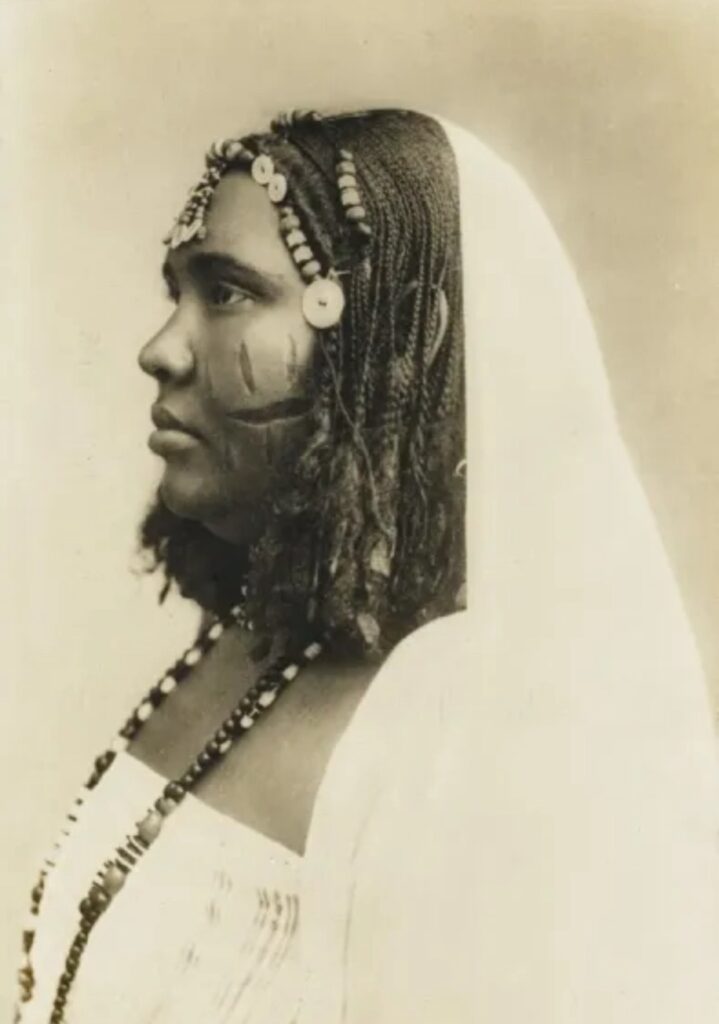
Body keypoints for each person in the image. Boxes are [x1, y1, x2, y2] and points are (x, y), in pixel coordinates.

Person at [14, 109, 719, 1024]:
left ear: (400, 337)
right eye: (176, 292)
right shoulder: (253, 647)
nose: (159, 348)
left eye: (226, 292)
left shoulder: (468, 727)